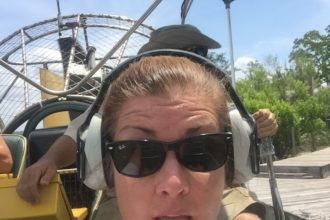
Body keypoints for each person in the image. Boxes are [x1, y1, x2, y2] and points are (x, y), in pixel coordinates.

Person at [16, 24, 278, 219]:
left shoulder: (210, 95)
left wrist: (260, 126)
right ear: (101, 162)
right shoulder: (119, 96)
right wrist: (47, 160)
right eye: (135, 150)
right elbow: (78, 134)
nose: (172, 184)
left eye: (204, 145)